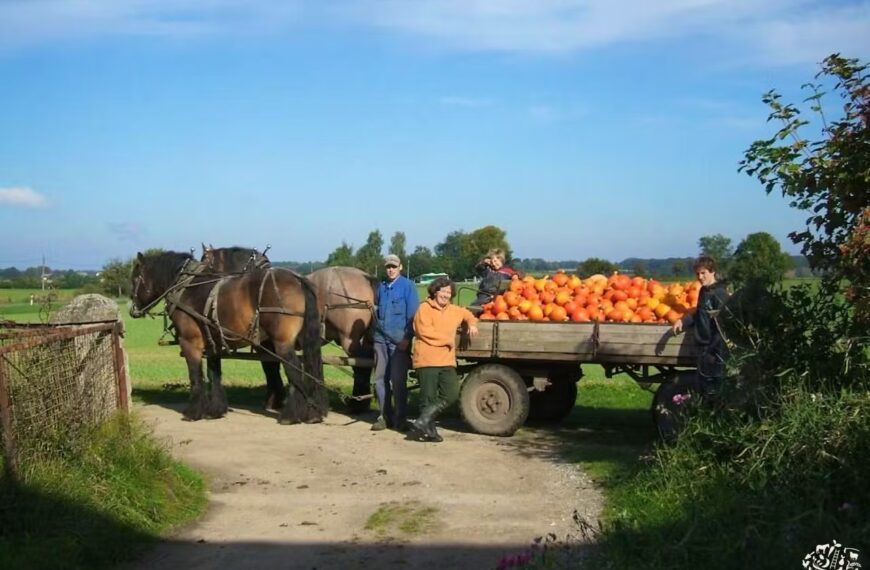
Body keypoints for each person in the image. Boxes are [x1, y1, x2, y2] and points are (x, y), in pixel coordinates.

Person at [410, 276, 479, 442]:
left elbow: (468, 314)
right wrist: (447, 340)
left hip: (446, 360)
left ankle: (423, 421)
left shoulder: (454, 310)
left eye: (449, 292)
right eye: (443, 291)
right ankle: (430, 432)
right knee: (428, 398)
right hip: (427, 359)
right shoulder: (424, 309)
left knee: (452, 394)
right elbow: (424, 332)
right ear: (435, 291)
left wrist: (472, 323)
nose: (446, 295)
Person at [372, 254, 419, 432]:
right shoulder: (382, 288)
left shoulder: (408, 286)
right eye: (388, 267)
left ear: (400, 267)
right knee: (379, 380)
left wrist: (407, 339)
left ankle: (401, 418)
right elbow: (376, 312)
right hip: (380, 340)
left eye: (394, 266)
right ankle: (383, 416)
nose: (390, 269)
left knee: (397, 381)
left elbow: (413, 316)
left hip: (399, 342)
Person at [672, 256, 731, 399]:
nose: (700, 277)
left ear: (712, 272)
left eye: (703, 273)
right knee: (703, 385)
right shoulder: (704, 292)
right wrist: (683, 321)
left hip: (714, 349)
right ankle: (705, 415)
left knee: (713, 386)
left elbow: (723, 326)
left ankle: (713, 417)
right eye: (698, 274)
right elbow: (699, 313)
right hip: (703, 346)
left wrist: (713, 350)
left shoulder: (720, 294)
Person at [470, 248, 515, 312]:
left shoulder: (507, 271)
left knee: (472, 309)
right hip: (484, 296)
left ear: (501, 260)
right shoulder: (488, 270)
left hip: (494, 298)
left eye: (495, 261)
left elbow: (518, 274)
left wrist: (516, 275)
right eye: (492, 262)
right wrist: (484, 262)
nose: (493, 263)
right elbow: (478, 268)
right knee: (473, 307)